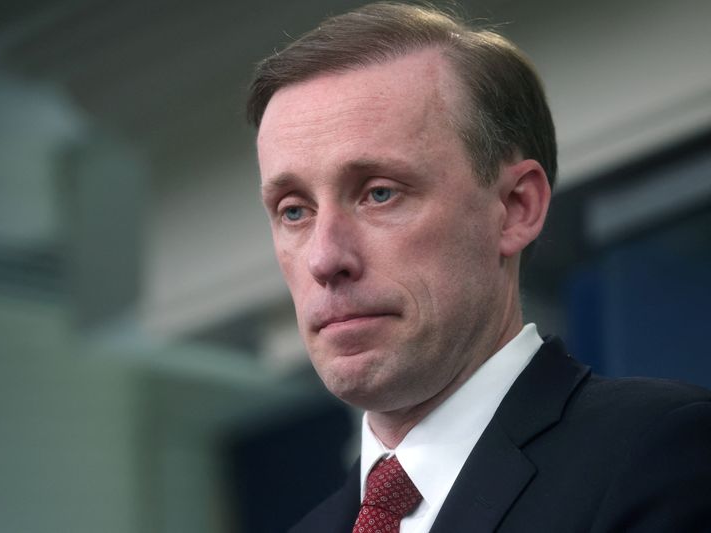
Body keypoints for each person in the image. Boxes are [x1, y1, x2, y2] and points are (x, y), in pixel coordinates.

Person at [246, 3, 711, 532]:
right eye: (294, 211)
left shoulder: (657, 456)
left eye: (379, 193)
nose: (325, 259)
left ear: (515, 208)